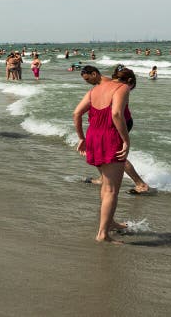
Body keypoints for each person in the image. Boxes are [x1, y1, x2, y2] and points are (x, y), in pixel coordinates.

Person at [73, 65, 130, 243]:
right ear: (129, 81)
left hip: (93, 137)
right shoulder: (122, 88)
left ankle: (110, 222)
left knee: (106, 184)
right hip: (110, 138)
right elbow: (116, 114)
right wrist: (126, 140)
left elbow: (76, 113)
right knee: (111, 190)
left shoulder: (93, 91)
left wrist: (81, 138)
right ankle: (102, 234)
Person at [83, 65, 150, 195]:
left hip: (120, 123)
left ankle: (140, 183)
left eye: (87, 80)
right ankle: (103, 177)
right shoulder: (116, 85)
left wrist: (125, 139)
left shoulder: (115, 86)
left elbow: (116, 113)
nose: (88, 83)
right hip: (107, 123)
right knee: (101, 151)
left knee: (116, 155)